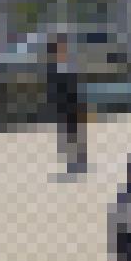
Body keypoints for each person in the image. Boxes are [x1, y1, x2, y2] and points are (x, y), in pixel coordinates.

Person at [45, 33, 87, 177]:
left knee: (77, 135)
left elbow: (78, 87)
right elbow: (52, 89)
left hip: (74, 106)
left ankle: (80, 163)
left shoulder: (71, 65)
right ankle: (72, 163)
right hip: (62, 107)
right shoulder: (52, 68)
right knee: (66, 137)